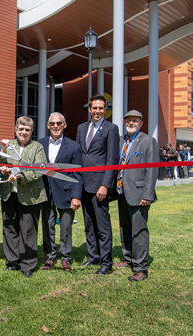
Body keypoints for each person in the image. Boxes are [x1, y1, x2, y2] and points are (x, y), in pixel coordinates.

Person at [75, 94, 119, 275]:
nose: (98, 111)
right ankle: (93, 257)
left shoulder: (111, 129)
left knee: (102, 225)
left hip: (99, 186)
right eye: (95, 108)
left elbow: (112, 159)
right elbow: (78, 155)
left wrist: (105, 185)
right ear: (89, 109)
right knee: (88, 224)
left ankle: (106, 263)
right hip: (84, 184)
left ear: (105, 109)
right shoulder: (81, 128)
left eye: (101, 108)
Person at [0, 116, 47, 278]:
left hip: (30, 196)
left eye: (27, 129)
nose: (23, 132)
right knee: (9, 228)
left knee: (28, 231)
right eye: (21, 129)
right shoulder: (9, 145)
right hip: (9, 193)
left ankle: (28, 264)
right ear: (15, 129)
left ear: (31, 131)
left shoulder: (37, 147)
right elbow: (0, 164)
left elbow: (39, 170)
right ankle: (12, 261)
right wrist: (3, 156)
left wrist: (19, 175)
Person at [114, 110, 158, 281]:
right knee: (125, 227)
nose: (131, 123)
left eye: (135, 121)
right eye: (128, 120)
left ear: (141, 124)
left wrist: (147, 194)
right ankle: (129, 258)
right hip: (122, 192)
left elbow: (152, 170)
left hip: (140, 194)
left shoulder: (148, 141)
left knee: (139, 230)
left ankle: (141, 268)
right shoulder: (121, 140)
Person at [37, 113, 83, 272]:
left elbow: (78, 173)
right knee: (47, 226)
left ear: (64, 125)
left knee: (66, 227)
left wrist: (76, 196)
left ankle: (65, 258)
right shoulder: (39, 144)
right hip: (45, 193)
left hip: (66, 193)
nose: (55, 126)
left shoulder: (74, 146)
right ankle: (49, 256)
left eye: (59, 123)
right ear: (48, 125)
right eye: (52, 124)